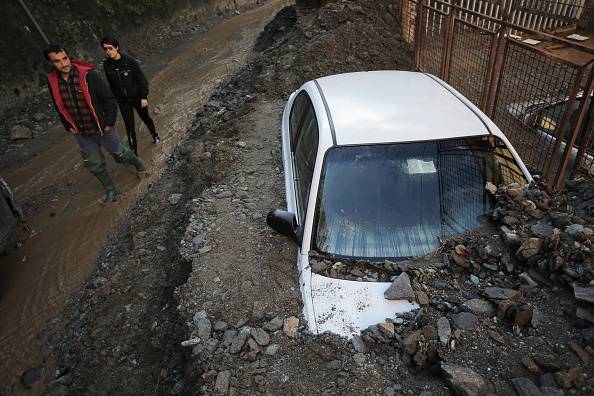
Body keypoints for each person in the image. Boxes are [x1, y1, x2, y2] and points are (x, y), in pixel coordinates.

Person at [43, 44, 146, 203]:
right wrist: (67, 125)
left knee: (120, 155)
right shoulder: (53, 81)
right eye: (57, 61)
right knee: (94, 163)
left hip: (103, 127)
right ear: (51, 63)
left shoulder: (88, 75)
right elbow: (58, 105)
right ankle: (111, 190)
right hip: (81, 132)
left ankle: (139, 164)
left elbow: (109, 99)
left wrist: (109, 122)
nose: (64, 64)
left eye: (65, 58)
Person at [101, 36, 160, 155]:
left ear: (116, 47)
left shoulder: (129, 61)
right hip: (123, 101)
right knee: (129, 127)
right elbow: (111, 84)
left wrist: (144, 97)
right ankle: (135, 153)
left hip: (138, 97)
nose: (108, 51)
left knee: (145, 118)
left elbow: (142, 80)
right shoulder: (107, 65)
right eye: (105, 49)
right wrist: (115, 99)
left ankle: (155, 135)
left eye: (110, 48)